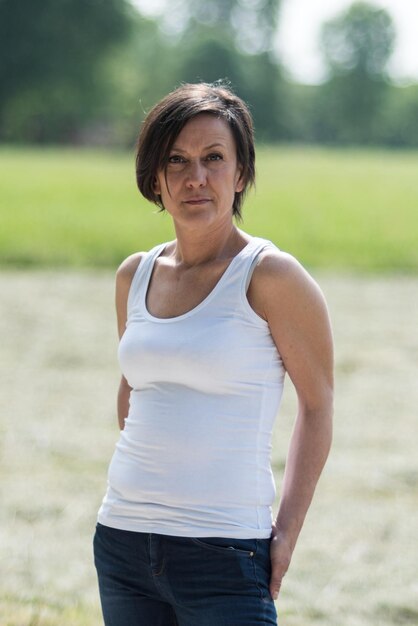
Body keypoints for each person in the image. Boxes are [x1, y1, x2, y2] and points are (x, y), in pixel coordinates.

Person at [93, 82, 333, 626]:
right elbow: (133, 389)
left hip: (226, 551)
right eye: (176, 160)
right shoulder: (135, 274)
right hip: (123, 541)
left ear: (241, 173)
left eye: (213, 158)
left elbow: (317, 407)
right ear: (155, 176)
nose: (194, 177)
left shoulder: (272, 277)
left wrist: (287, 533)